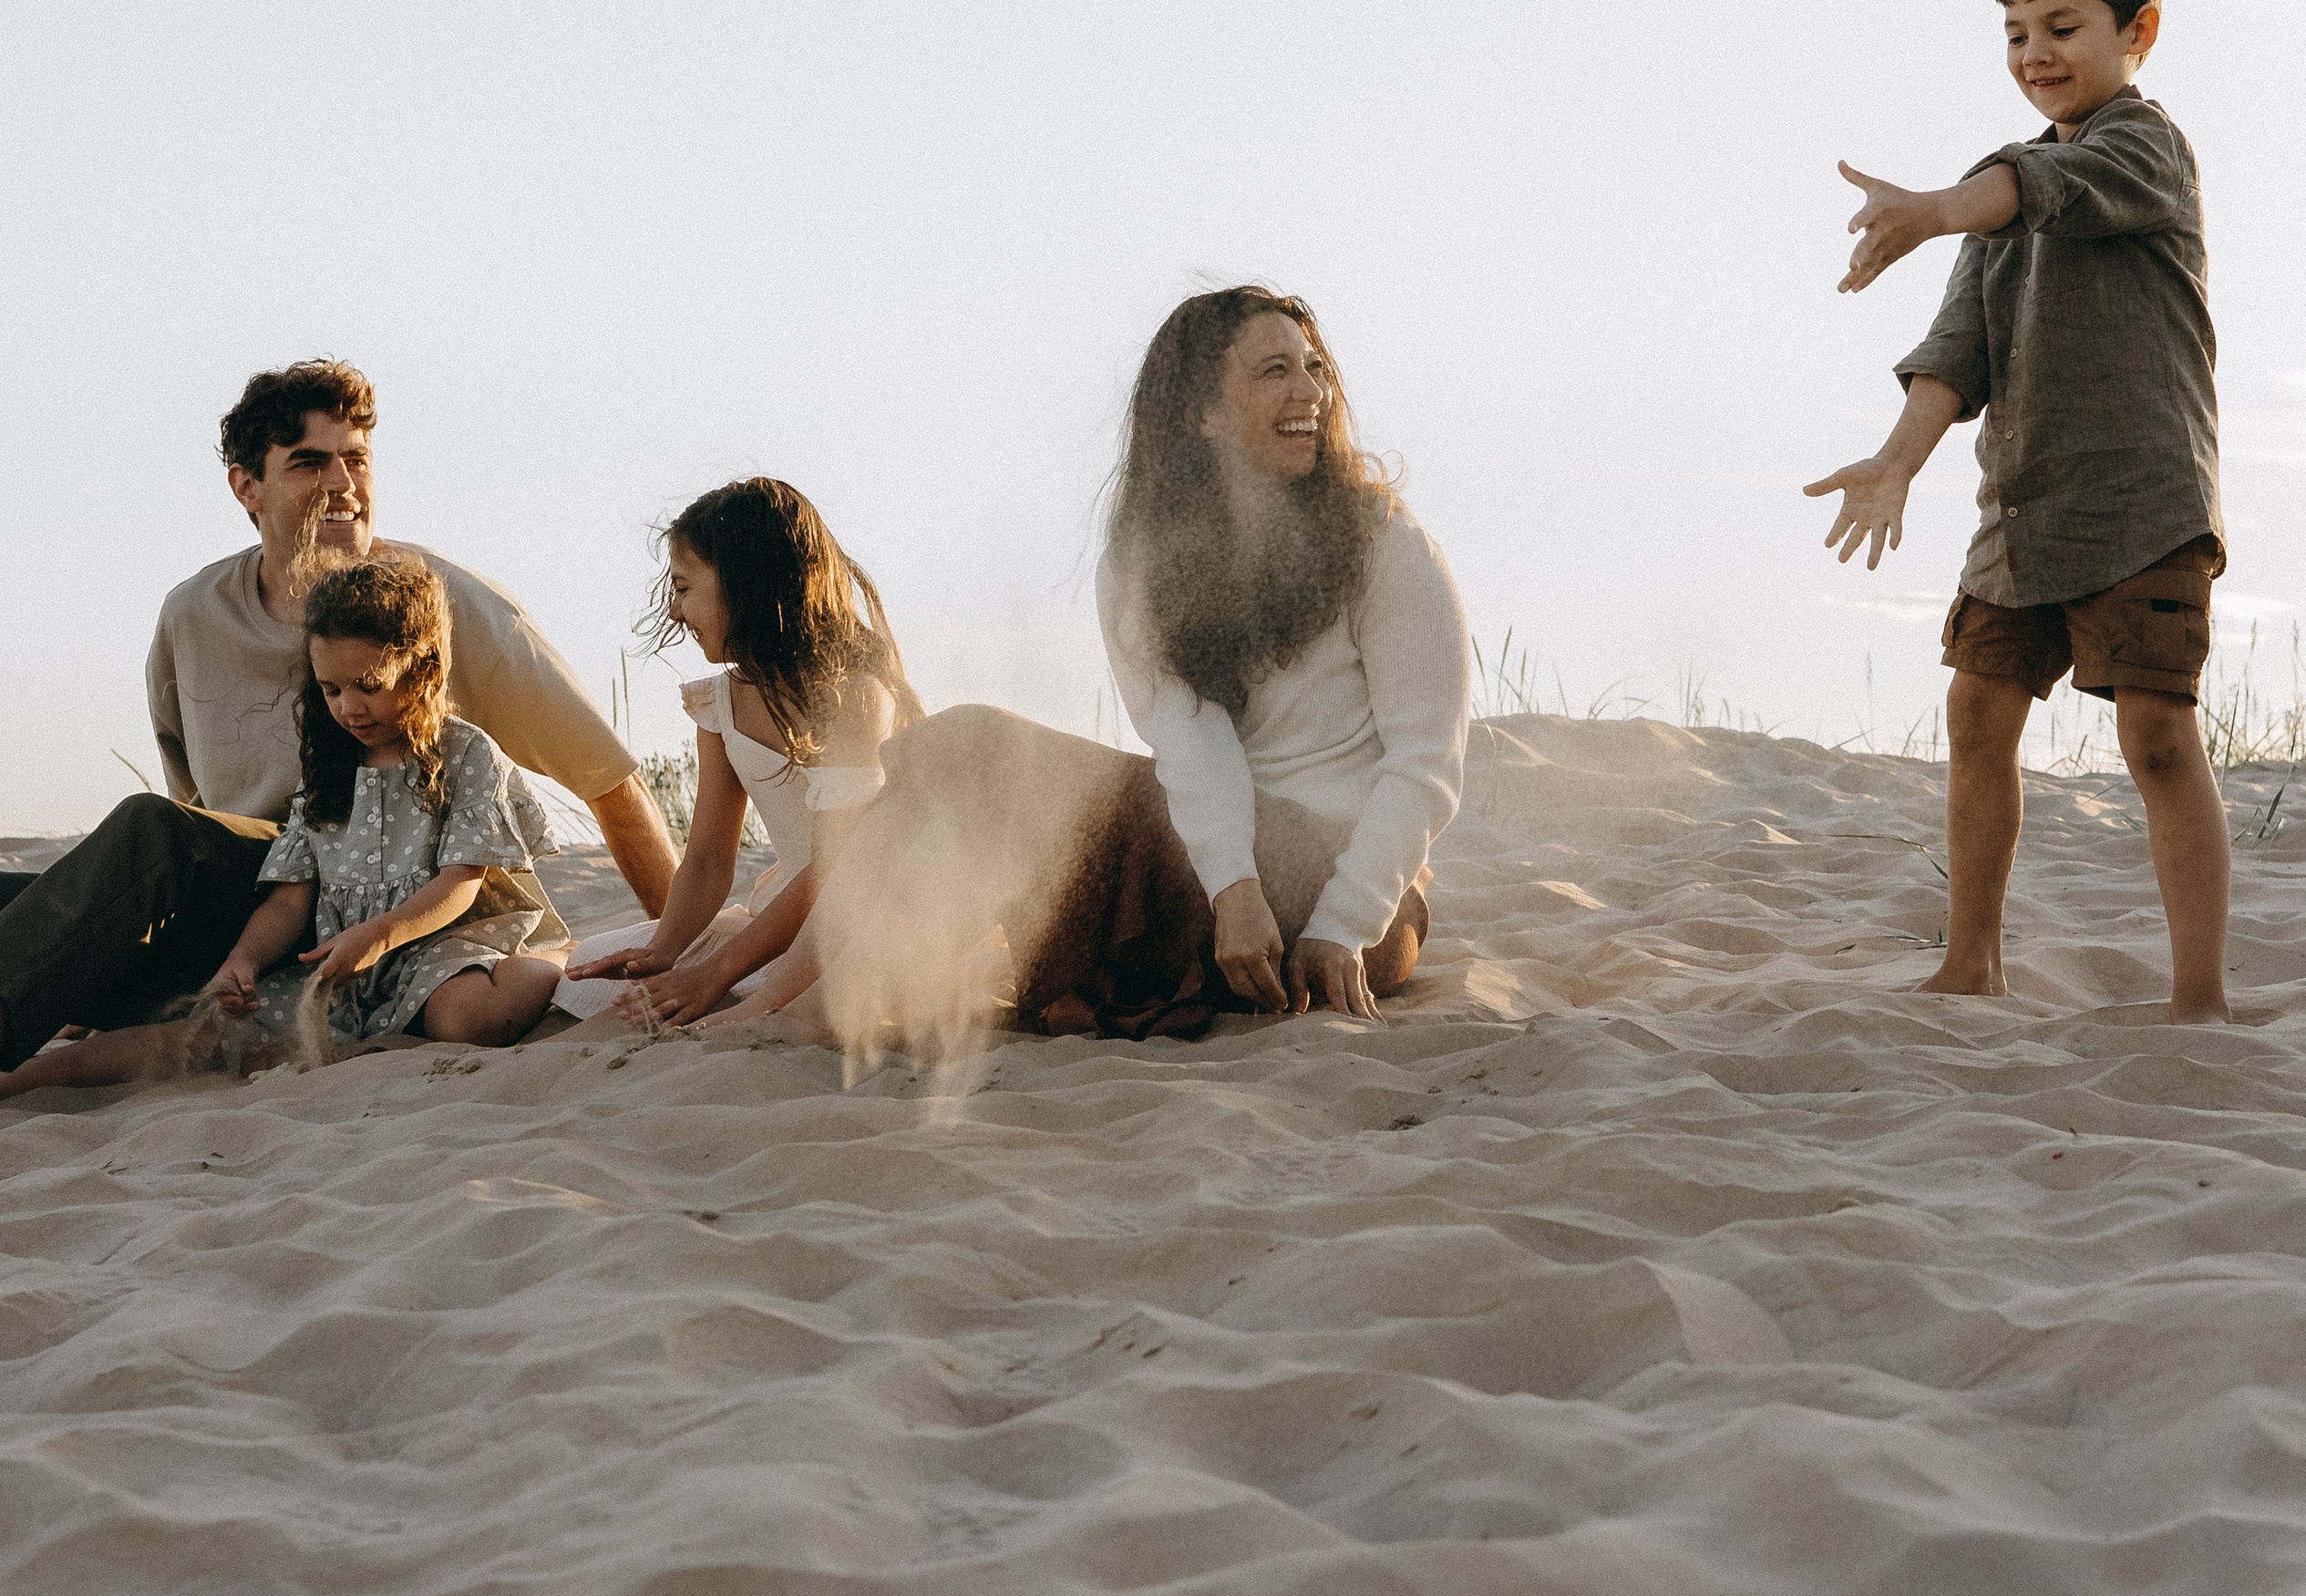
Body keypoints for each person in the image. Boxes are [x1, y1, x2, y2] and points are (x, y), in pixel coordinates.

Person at [698, 284, 1470, 1050]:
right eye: (1275, 371)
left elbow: (1424, 765)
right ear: (1200, 414)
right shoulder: (1143, 566)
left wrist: (1343, 922)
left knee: (968, 742)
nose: (1311, 391)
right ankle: (822, 999)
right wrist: (1235, 889)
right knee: (950, 754)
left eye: (1313, 368)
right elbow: (1193, 747)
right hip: (1219, 881)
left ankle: (817, 1004)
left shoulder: (1384, 542)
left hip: (1352, 906)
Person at [0, 360, 675, 1069]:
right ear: (245, 486)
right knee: (32, 896)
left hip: (373, 910)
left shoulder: (440, 603)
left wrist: (677, 951)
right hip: (252, 914)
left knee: (149, 830)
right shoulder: (193, 615)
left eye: (355, 459)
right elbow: (192, 810)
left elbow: (609, 782)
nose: (342, 484)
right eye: (309, 463)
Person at [1804, 0, 2229, 1022]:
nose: (2033, 52)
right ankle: (1972, 960)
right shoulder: (2001, 192)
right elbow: (1960, 353)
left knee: (2154, 734)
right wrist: (1897, 462)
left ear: (2136, 31)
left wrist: (1940, 209)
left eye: (2060, 26)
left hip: (2142, 503)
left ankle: (2198, 997)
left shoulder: (2145, 147)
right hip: (2021, 512)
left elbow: (2033, 191)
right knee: (1977, 715)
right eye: (2013, 32)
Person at [1, 556, 566, 1095]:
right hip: (343, 965)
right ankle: (19, 1079)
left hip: (445, 943)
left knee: (466, 1018)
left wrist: (379, 935)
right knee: (197, 1038)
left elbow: (461, 881)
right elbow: (289, 903)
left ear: (422, 668)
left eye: (369, 685)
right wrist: (240, 963)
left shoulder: (466, 753)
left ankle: (554, 964)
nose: (350, 708)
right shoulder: (329, 769)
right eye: (332, 690)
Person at [557, 478, 912, 1029]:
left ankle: (762, 1000)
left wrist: (715, 973)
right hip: (788, 919)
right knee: (582, 970)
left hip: (872, 912)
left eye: (685, 588)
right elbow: (706, 859)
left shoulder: (856, 699)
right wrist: (667, 948)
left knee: (817, 984)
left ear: (749, 587)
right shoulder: (721, 706)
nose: (674, 611)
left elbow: (832, 870)